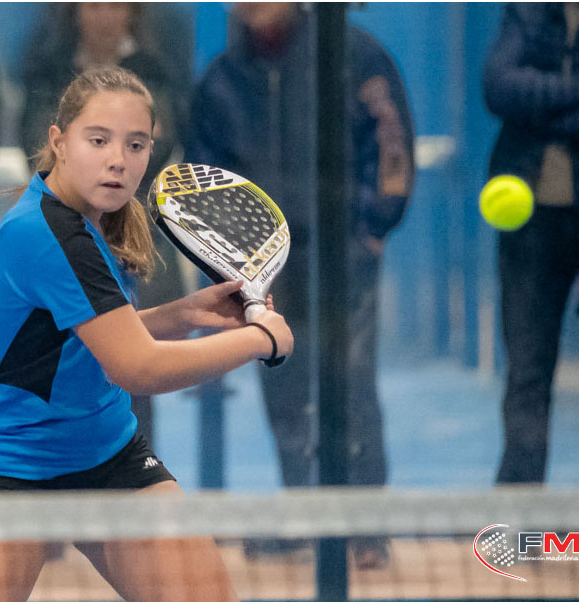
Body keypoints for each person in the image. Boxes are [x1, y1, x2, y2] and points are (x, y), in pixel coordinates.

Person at [0, 67, 292, 601]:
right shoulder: (45, 233)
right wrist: (261, 340)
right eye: (98, 140)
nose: (118, 159)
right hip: (7, 463)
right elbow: (136, 368)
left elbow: (75, 339)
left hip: (105, 453)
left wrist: (183, 315)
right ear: (58, 141)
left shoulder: (92, 220)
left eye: (136, 144)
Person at [187, 3, 414, 567]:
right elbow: (204, 180)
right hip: (264, 269)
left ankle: (364, 529)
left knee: (350, 383)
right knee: (283, 387)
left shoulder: (357, 55)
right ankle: (305, 517)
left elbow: (391, 146)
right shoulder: (220, 80)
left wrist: (372, 232)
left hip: (344, 257)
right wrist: (235, 262)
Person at [20, 2, 189, 441]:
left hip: (130, 239)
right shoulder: (49, 66)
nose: (103, 15)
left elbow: (164, 142)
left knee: (130, 380)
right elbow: (34, 144)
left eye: (114, 4)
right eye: (93, 4)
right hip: (64, 237)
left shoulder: (153, 68)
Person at [483, 3, 579, 484]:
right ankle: (517, 505)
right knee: (527, 371)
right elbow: (498, 87)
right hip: (533, 225)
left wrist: (544, 111)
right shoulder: (527, 12)